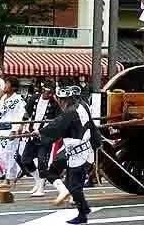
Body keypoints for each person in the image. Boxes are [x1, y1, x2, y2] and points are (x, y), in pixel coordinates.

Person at [36, 86, 96, 224]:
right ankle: (83, 210)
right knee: (70, 182)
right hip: (79, 150)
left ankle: (83, 212)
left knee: (74, 185)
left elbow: (57, 125)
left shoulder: (70, 113)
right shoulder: (82, 107)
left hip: (79, 153)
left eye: (61, 100)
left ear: (65, 100)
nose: (60, 103)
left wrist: (41, 132)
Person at [20, 81, 60, 196]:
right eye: (46, 91)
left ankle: (41, 187)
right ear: (42, 90)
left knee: (42, 161)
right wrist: (22, 126)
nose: (47, 94)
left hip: (45, 136)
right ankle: (38, 180)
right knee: (25, 160)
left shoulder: (54, 103)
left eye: (50, 92)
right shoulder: (34, 98)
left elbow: (57, 120)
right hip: (32, 133)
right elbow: (26, 113)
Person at [0, 76, 26, 188]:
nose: (5, 86)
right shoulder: (3, 99)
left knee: (10, 154)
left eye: (7, 84)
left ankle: (8, 179)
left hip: (11, 130)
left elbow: (21, 115)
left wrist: (15, 130)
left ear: (13, 87)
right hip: (1, 129)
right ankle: (17, 171)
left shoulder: (18, 99)